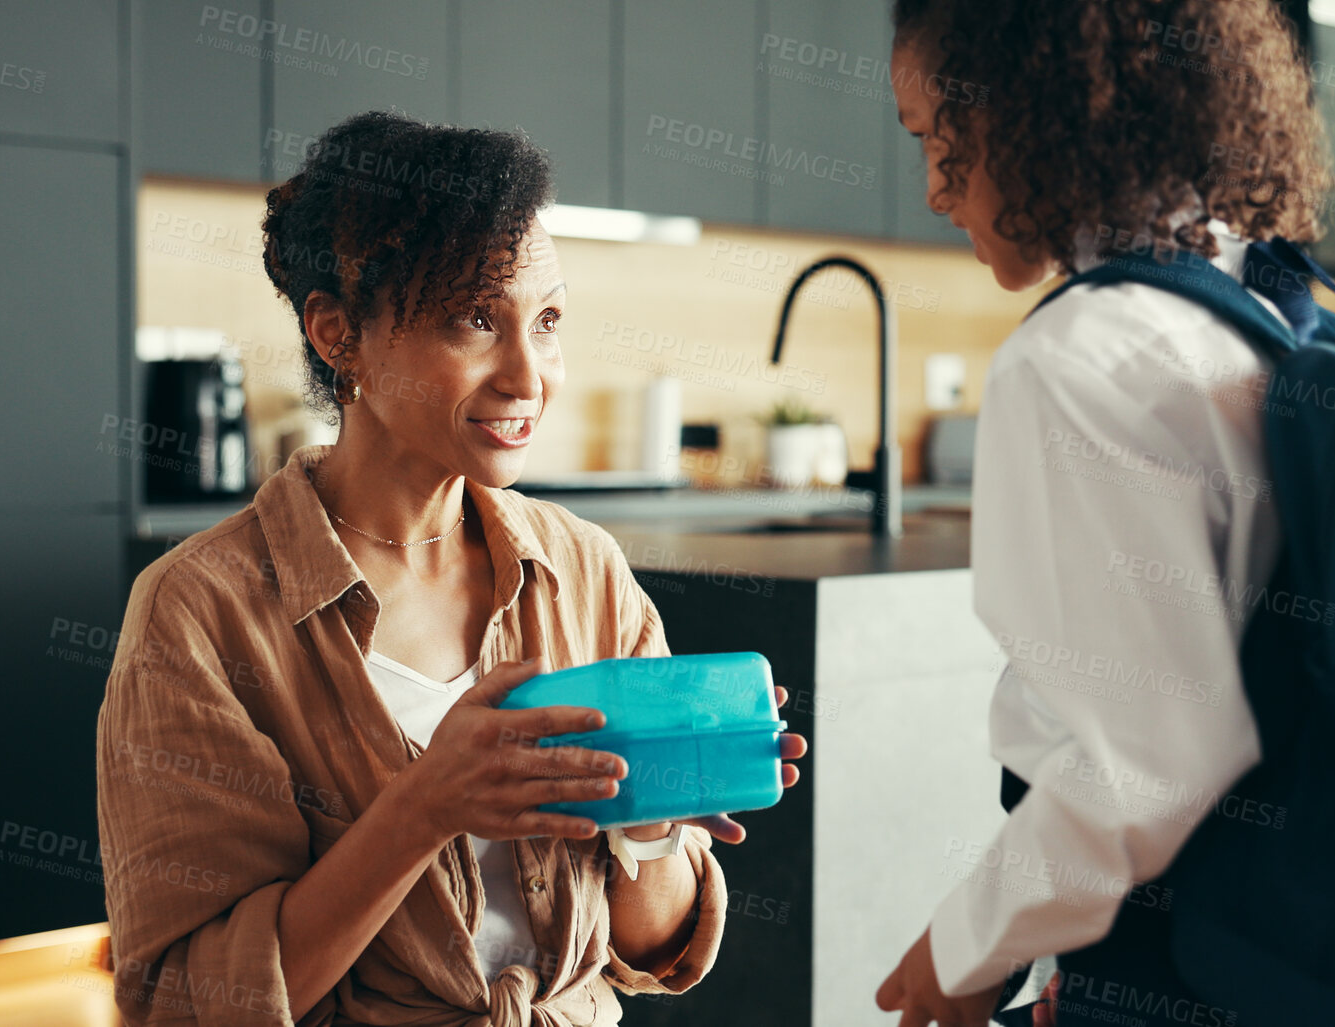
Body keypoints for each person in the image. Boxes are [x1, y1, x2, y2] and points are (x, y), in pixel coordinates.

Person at [96, 112, 805, 1027]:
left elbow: (649, 948)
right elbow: (186, 1004)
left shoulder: (583, 569)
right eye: (475, 319)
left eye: (545, 322)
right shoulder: (198, 612)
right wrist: (421, 809)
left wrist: (656, 814)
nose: (528, 375)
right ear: (337, 332)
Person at [873, 3, 1332, 1025]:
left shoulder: (1084, 356)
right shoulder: (1254, 304)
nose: (938, 190)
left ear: (1025, 110)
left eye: (934, 137)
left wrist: (968, 946)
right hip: (1269, 927)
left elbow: (1155, 762)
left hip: (1180, 950)